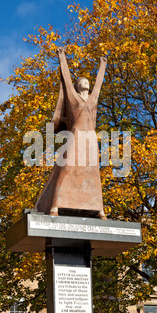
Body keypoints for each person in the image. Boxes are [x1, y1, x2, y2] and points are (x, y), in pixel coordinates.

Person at [34, 47, 107, 220]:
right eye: (82, 81)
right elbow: (66, 80)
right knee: (66, 170)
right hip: (76, 138)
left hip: (90, 140)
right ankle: (55, 205)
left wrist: (102, 66)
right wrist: (62, 58)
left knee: (93, 173)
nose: (86, 82)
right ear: (77, 86)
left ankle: (100, 210)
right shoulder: (73, 98)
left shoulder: (92, 100)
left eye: (87, 81)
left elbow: (99, 85)